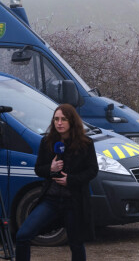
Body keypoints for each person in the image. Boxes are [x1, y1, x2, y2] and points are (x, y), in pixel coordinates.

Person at [15, 104, 98, 261]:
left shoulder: (85, 143)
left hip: (74, 200)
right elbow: (39, 169)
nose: (59, 123)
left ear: (71, 121)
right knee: (23, 235)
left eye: (63, 119)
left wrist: (70, 180)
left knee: (76, 243)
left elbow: (92, 170)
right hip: (51, 200)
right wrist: (51, 168)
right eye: (56, 119)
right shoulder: (47, 142)